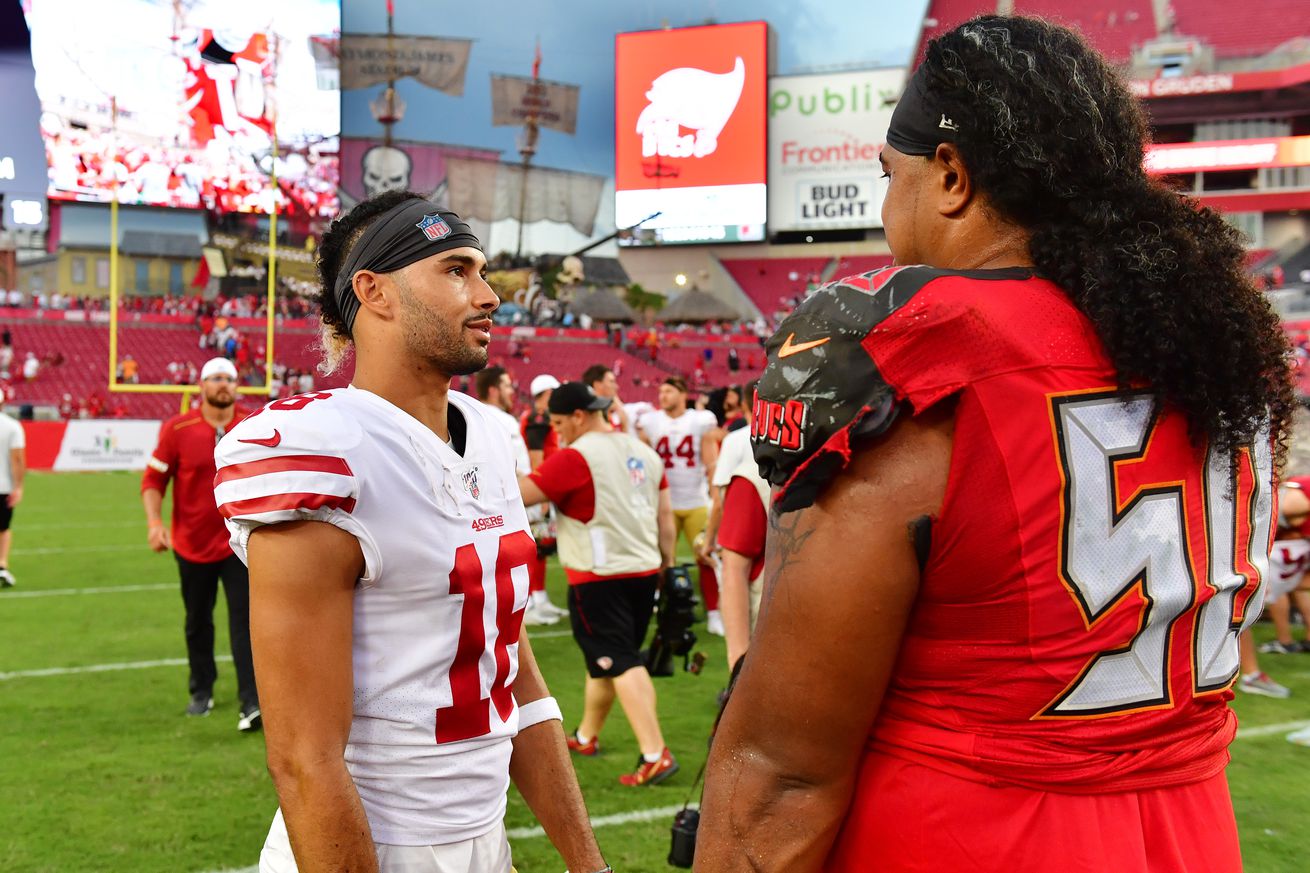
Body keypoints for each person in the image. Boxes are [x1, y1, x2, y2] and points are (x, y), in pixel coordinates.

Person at [697, 16, 1294, 872]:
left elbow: (784, 770)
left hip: (971, 831)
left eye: (885, 174)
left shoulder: (934, 354)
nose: (882, 201)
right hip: (1186, 833)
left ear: (949, 175)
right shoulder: (1215, 345)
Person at [214, 192, 606, 873]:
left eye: (482, 271)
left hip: (487, 841)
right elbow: (305, 758)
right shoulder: (323, 450)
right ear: (375, 291)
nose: (488, 295)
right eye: (456, 270)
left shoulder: (489, 432)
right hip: (372, 845)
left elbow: (513, 674)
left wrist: (588, 863)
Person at [517, 381, 679, 786]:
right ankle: (587, 735)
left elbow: (520, 494)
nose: (557, 431)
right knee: (606, 661)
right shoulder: (642, 451)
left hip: (598, 575)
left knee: (619, 660)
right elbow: (665, 518)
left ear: (577, 415)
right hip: (644, 570)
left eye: (558, 422)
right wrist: (669, 564)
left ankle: (655, 752)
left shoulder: (577, 456)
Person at [142, 357, 259, 729]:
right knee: (197, 621)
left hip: (240, 544)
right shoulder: (179, 428)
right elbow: (153, 481)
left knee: (247, 622)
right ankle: (201, 690)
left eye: (229, 378)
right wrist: (155, 523)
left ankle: (251, 700)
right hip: (191, 544)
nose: (223, 384)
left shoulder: (253, 424)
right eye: (216, 379)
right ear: (202, 386)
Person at [474, 364, 565, 626]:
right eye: (505, 386)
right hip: (515, 495)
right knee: (524, 550)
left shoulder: (489, 416)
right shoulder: (502, 419)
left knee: (529, 550)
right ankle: (526, 603)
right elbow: (513, 462)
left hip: (515, 493)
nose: (511, 391)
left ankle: (534, 600)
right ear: (493, 390)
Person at [638, 376, 723, 634]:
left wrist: (713, 492)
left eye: (668, 390)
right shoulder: (650, 422)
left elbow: (711, 461)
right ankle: (664, 608)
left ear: (683, 393)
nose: (662, 395)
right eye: (660, 390)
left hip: (696, 500)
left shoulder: (700, 420)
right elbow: (642, 462)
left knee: (705, 556)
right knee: (662, 559)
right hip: (664, 504)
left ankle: (714, 613)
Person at [0, 408, 25, 587]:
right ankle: (1, 565)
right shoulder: (11, 426)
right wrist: (18, 486)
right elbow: (17, 459)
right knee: (3, 528)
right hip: (3, 486)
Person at [583, 363, 631, 435]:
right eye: (611, 381)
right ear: (597, 385)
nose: (616, 387)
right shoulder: (588, 414)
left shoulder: (613, 412)